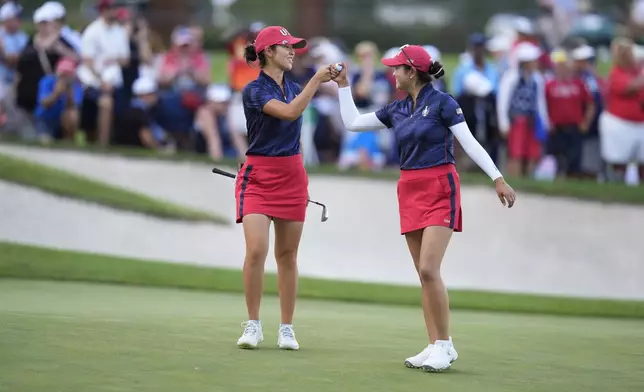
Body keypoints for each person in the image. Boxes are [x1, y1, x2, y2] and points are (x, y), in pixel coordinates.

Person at [332, 44, 516, 372]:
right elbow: (353, 123)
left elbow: (469, 142)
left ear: (411, 72)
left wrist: (497, 177)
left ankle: (445, 345)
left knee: (430, 269)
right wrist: (344, 85)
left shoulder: (444, 104)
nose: (392, 73)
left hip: (440, 186)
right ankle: (433, 344)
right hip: (409, 188)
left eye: (396, 69)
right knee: (423, 275)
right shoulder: (397, 109)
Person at [234, 25, 338, 351]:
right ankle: (253, 324)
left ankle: (286, 328)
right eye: (286, 47)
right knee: (256, 251)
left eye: (293, 47)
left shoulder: (294, 86)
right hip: (259, 178)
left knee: (287, 256)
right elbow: (290, 113)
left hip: (292, 176)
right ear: (267, 52)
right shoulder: (253, 90)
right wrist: (317, 81)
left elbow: (296, 137)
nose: (293, 51)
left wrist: (301, 179)